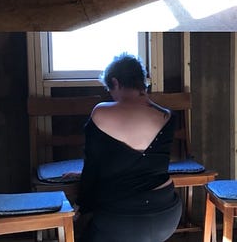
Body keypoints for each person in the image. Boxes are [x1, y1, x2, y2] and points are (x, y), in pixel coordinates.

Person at [76, 54, 181, 242]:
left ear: (115, 82)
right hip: (166, 216)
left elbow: (92, 169)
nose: (111, 95)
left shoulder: (101, 112)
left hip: (122, 220)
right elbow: (141, 166)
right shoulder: (167, 116)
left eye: (110, 89)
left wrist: (82, 208)